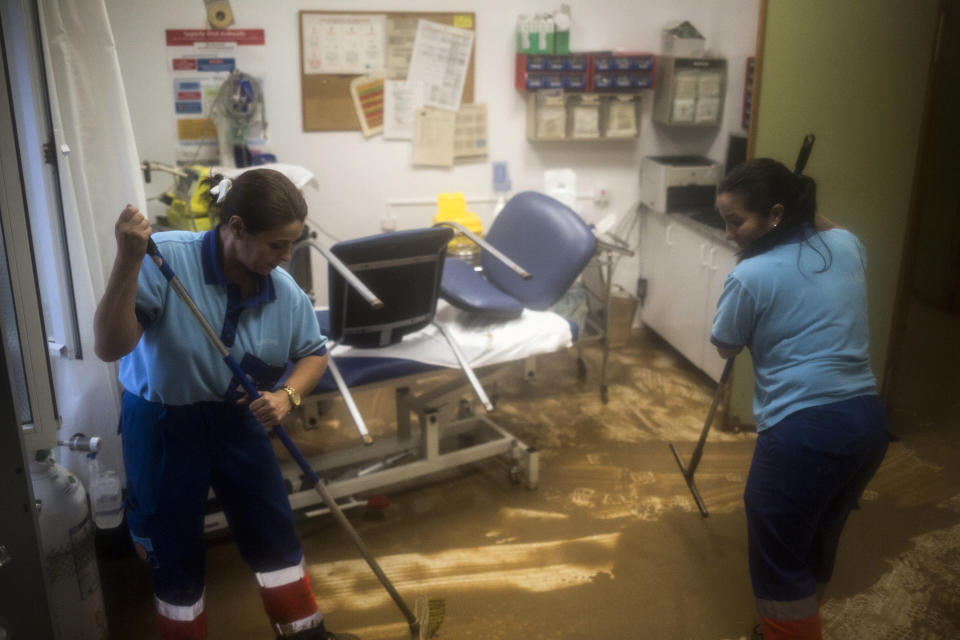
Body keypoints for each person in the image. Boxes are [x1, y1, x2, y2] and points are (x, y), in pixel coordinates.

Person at [94, 168, 354, 640]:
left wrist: (287, 396)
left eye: (292, 245)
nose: (286, 257)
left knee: (273, 529)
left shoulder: (282, 286)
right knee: (173, 551)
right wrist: (128, 261)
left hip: (238, 418)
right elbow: (109, 346)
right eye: (276, 245)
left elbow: (313, 353)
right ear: (235, 228)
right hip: (164, 425)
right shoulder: (165, 260)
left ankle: (303, 633)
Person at [710, 158, 890, 640]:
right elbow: (825, 225)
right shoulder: (845, 245)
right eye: (723, 220)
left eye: (735, 221)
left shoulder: (751, 276)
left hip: (805, 432)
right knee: (819, 531)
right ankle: (796, 619)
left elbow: (726, 344)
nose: (728, 234)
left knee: (777, 556)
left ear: (773, 213)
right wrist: (794, 207)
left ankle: (786, 630)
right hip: (867, 423)